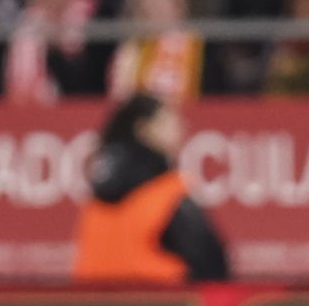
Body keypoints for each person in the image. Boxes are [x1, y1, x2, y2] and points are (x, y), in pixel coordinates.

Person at [73, 93, 229, 284]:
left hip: (89, 305)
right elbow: (211, 264)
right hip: (161, 304)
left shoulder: (95, 195)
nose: (183, 127)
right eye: (171, 120)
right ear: (144, 129)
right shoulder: (169, 190)